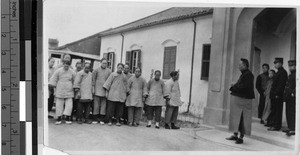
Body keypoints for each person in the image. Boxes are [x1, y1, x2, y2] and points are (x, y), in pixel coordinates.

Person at [226, 58, 255, 144]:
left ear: (245, 65)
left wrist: (232, 87)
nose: (239, 66)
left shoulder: (249, 75)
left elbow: (243, 87)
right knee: (236, 118)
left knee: (243, 119)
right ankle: (235, 135)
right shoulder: (244, 74)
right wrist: (234, 86)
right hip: (239, 100)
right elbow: (239, 84)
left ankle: (241, 138)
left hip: (244, 101)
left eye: (240, 65)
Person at [49, 61, 76, 125]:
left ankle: (67, 118)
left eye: (68, 65)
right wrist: (52, 86)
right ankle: (59, 119)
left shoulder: (72, 72)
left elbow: (75, 81)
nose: (66, 66)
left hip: (69, 91)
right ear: (63, 64)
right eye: (65, 64)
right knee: (59, 105)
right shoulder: (58, 71)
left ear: (69, 65)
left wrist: (75, 88)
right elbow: (54, 79)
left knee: (69, 105)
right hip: (60, 90)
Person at [268, 58, 288, 131]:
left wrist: (276, 93)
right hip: (274, 94)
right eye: (275, 63)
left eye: (276, 63)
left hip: (278, 95)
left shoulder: (283, 72)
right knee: (274, 110)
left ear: (280, 63)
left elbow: (281, 85)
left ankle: (276, 126)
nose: (275, 65)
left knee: (278, 111)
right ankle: (274, 124)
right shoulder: (278, 72)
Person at [92, 58, 111, 124]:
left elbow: (109, 81)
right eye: (103, 63)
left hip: (104, 89)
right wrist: (93, 88)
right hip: (97, 89)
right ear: (101, 63)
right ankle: (95, 118)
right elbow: (93, 79)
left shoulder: (109, 71)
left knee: (103, 105)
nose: (104, 64)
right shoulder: (96, 70)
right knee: (96, 104)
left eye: (106, 63)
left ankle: (102, 118)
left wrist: (107, 90)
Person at [284, 60, 296, 136]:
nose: (290, 67)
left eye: (292, 66)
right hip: (288, 96)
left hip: (292, 97)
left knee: (291, 112)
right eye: (289, 66)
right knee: (288, 112)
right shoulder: (291, 75)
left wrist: (293, 93)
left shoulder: (296, 75)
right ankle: (289, 127)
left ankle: (292, 129)